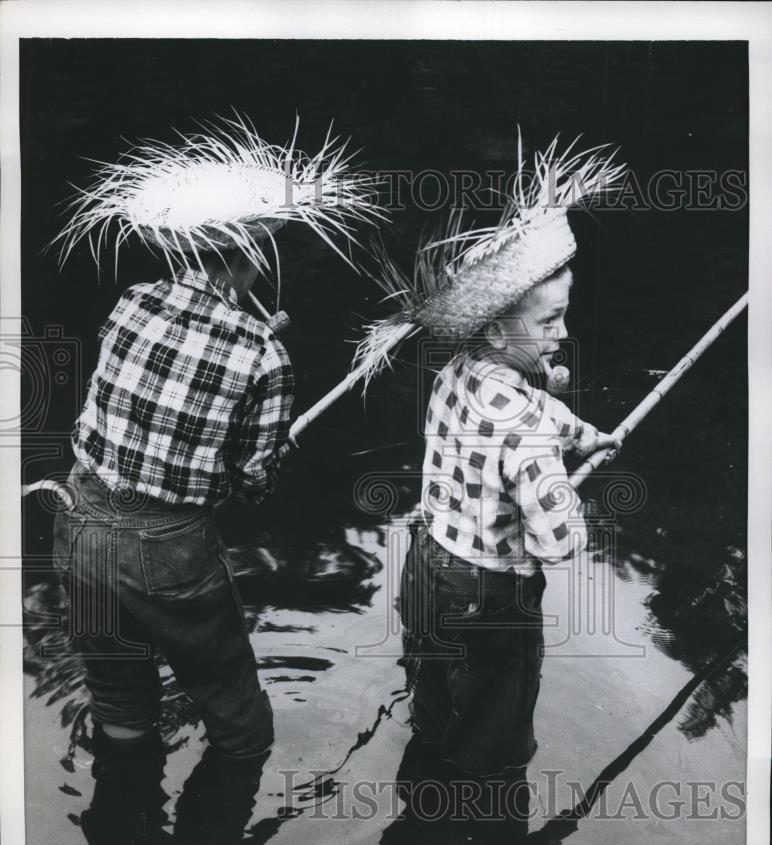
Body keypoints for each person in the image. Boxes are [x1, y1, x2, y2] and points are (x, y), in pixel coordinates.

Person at [48, 115, 380, 758]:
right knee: (235, 711)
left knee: (119, 699)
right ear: (251, 256)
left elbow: (156, 395)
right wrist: (267, 423)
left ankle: (127, 828)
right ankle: (227, 836)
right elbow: (253, 482)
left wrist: (249, 348)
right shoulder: (264, 356)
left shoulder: (134, 301)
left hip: (77, 523)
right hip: (168, 550)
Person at [393, 134, 626, 776]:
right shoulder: (523, 426)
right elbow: (558, 541)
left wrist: (584, 435)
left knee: (436, 699)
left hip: (428, 567)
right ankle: (482, 834)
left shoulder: (457, 371)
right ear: (497, 328)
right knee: (496, 731)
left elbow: (533, 404)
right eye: (550, 322)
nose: (564, 334)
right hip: (489, 595)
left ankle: (427, 791)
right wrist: (568, 499)